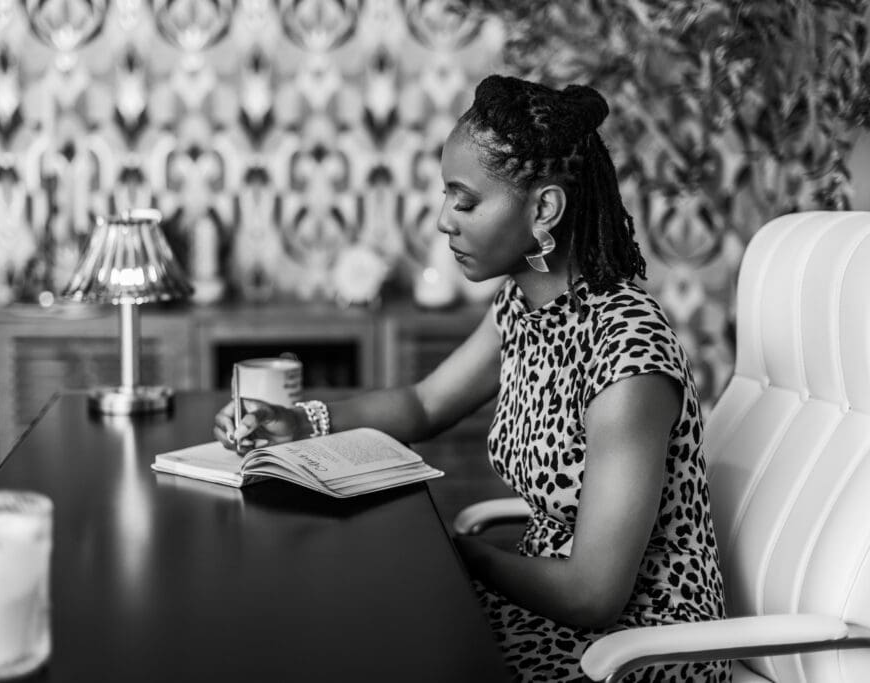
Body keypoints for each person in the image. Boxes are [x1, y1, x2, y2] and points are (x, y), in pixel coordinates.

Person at [214, 75, 729, 683]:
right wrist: (299, 422)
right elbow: (423, 404)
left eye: (464, 202)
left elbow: (593, 594)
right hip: (550, 612)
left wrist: (454, 556)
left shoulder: (627, 359)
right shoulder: (524, 307)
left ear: (544, 209)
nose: (441, 221)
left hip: (635, 649)